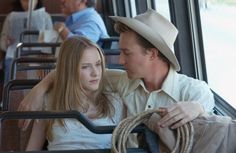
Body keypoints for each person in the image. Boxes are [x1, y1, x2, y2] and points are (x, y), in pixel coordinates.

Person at [18, 9, 215, 148]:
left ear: (152, 54)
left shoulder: (191, 91)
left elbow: (206, 100)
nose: (119, 60)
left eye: (126, 53)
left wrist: (197, 108)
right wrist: (39, 89)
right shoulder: (123, 81)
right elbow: (72, 72)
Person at [25, 36, 123, 151]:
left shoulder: (114, 102)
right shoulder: (48, 101)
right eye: (85, 67)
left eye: (98, 64)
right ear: (70, 70)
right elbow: (32, 149)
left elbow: (124, 146)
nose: (95, 73)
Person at [0, 0, 53, 84]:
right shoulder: (11, 17)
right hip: (15, 54)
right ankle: (11, 94)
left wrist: (44, 37)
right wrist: (6, 42)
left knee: (42, 68)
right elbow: (2, 42)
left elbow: (51, 41)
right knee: (11, 65)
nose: (28, 3)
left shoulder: (45, 17)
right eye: (25, 1)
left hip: (37, 55)